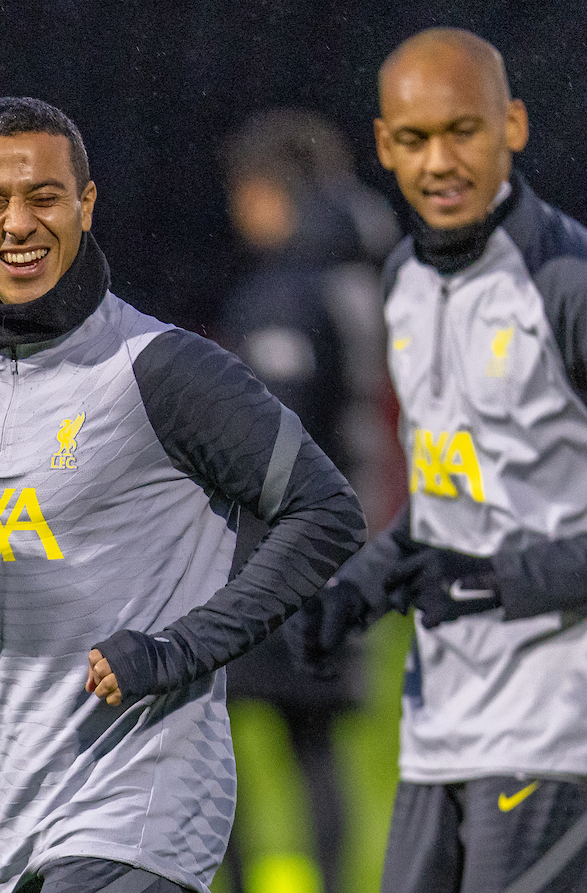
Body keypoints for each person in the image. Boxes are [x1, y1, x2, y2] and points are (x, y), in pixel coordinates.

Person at [0, 97, 365, 893]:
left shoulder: (157, 366)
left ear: (86, 203)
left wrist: (178, 649)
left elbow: (326, 509)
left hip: (144, 809)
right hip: (25, 813)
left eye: (43, 196)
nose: (18, 223)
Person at [295, 28, 587, 893]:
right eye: (416, 139)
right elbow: (456, 494)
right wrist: (357, 589)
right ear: (385, 146)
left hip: (560, 716)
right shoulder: (406, 282)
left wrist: (506, 579)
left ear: (515, 127)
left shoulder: (582, 287)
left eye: (464, 131)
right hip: (443, 718)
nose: (440, 162)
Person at [213, 108, 398, 893]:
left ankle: (242, 878)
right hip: (350, 534)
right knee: (317, 740)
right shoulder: (364, 279)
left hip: (281, 550)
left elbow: (273, 434)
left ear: (266, 191)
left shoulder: (286, 292)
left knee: (196, 725)